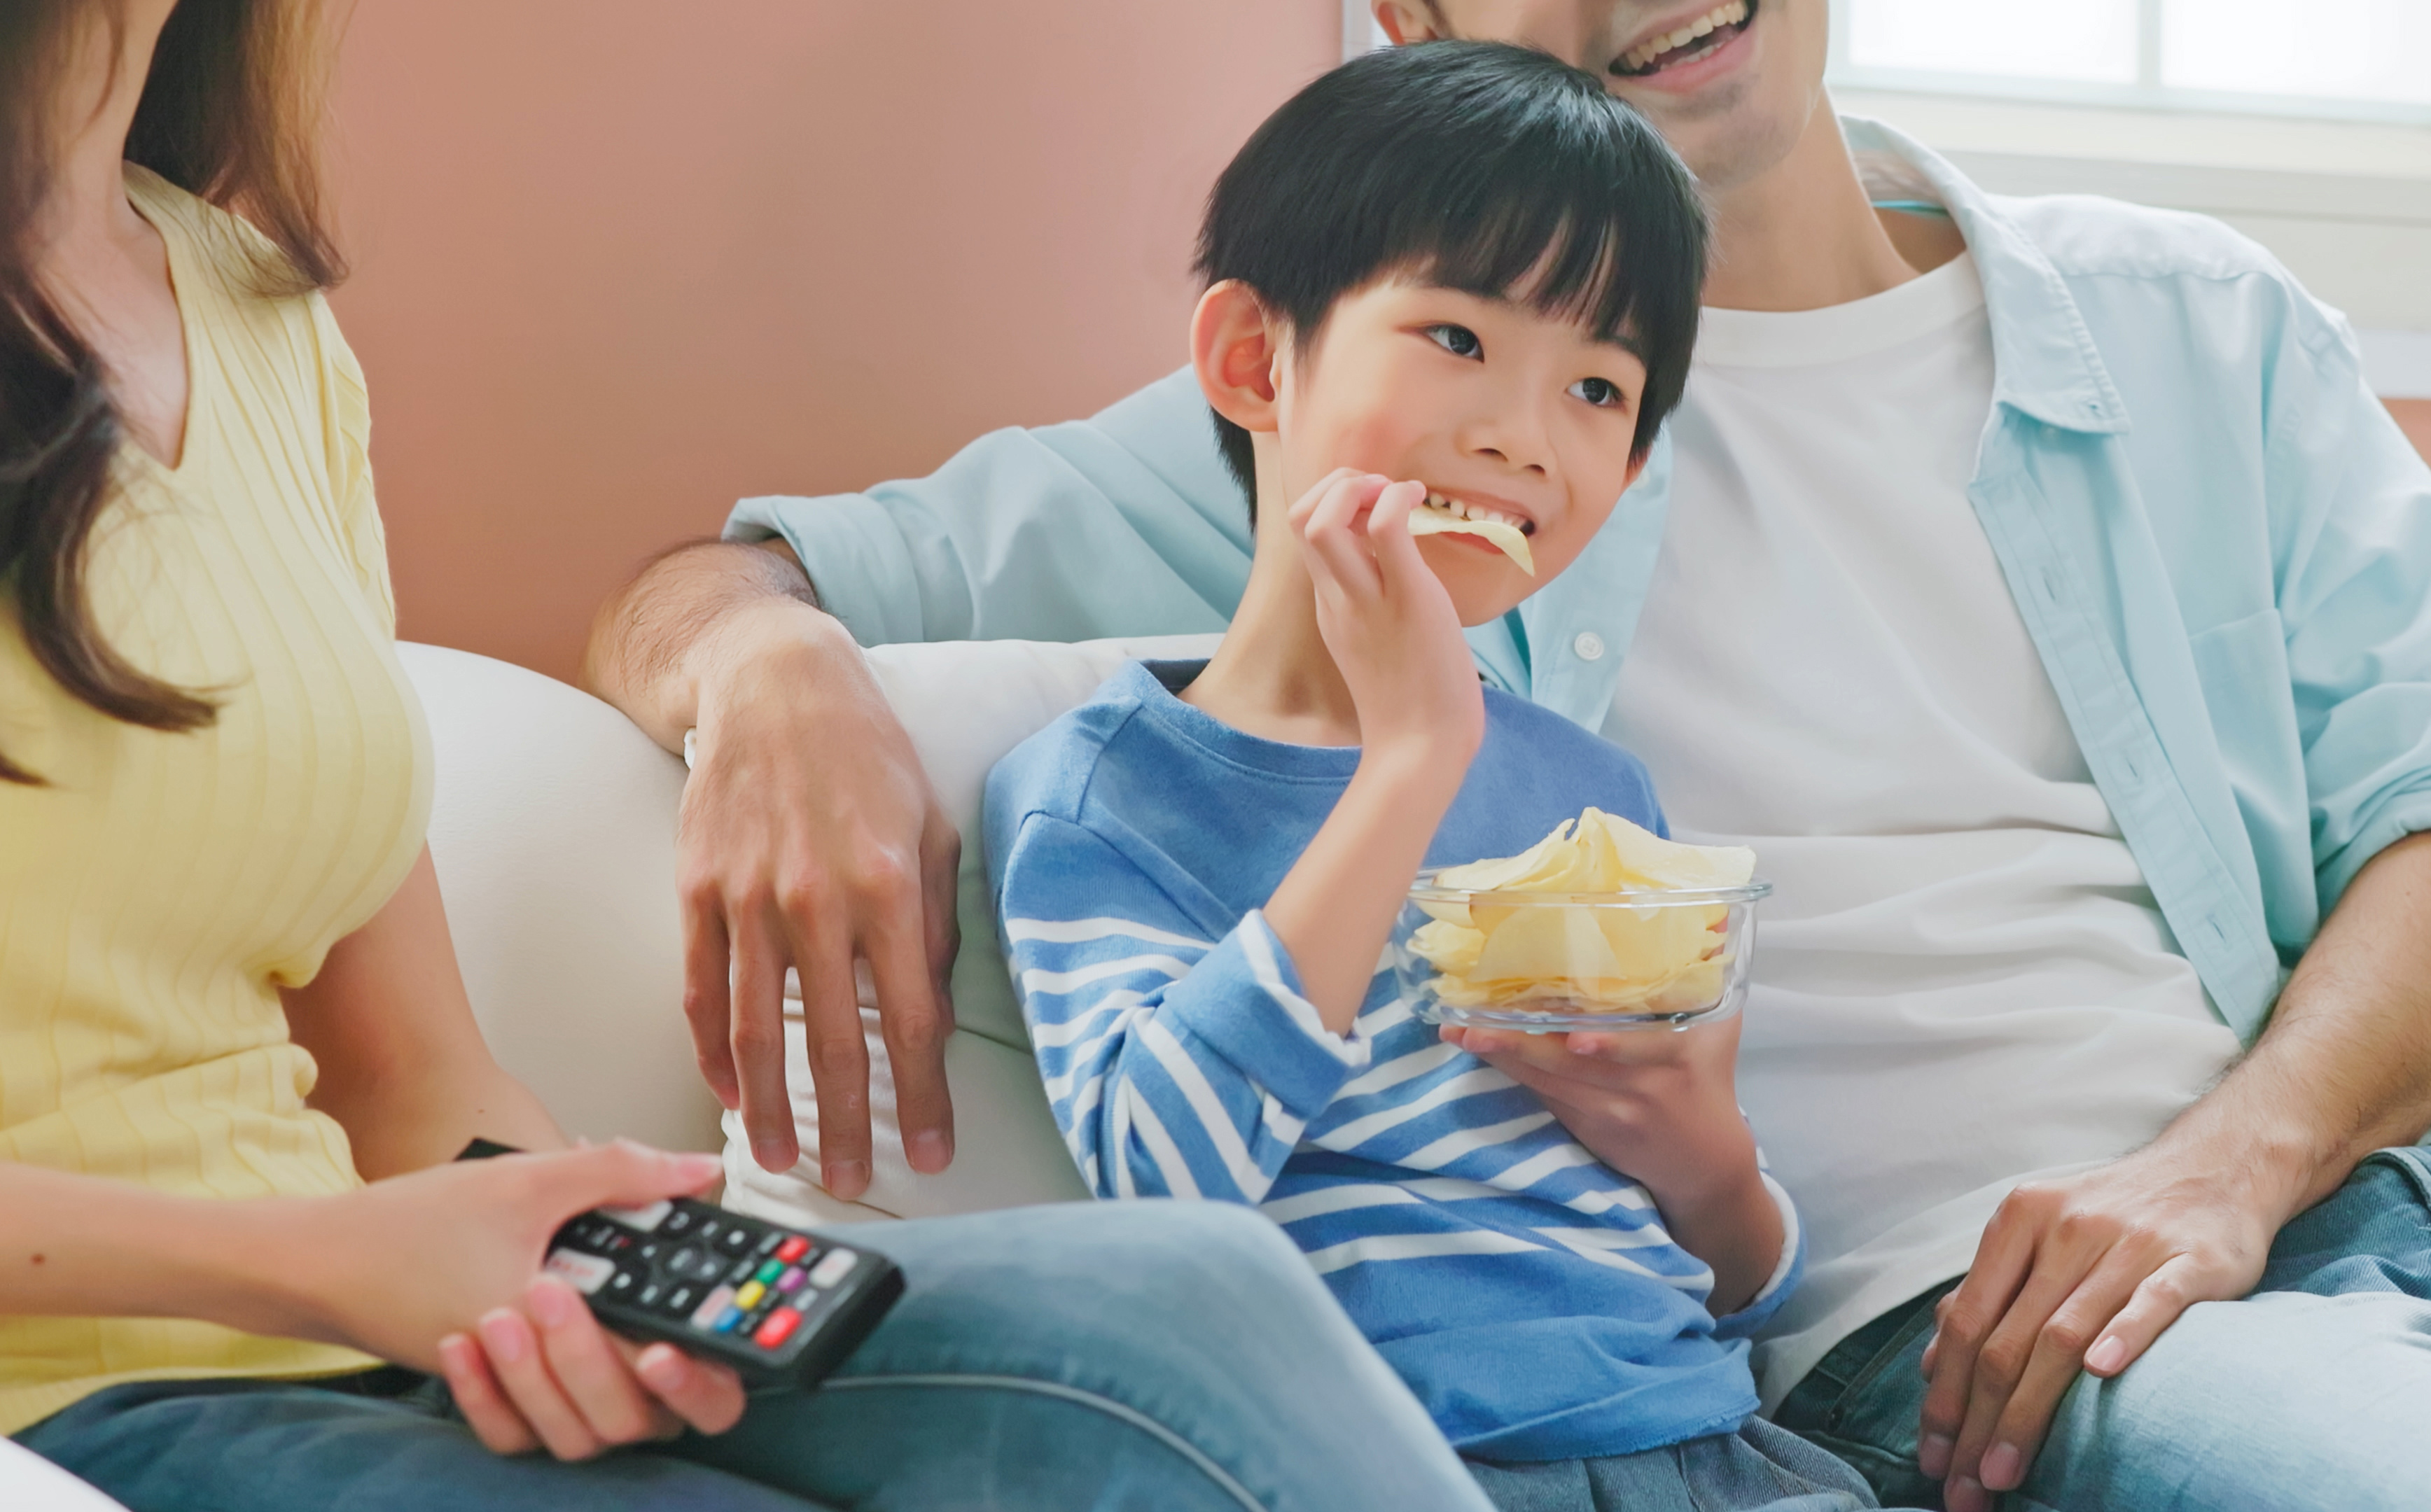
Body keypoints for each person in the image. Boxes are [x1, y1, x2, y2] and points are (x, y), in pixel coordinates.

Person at [585, 3, 2431, 1508]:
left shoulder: (2185, 327)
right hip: (1976, 1334)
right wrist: (773, 687)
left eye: (1594, 383)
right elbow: (714, 581)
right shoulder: (1361, 422)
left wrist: (2228, 1164)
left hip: (2425, 1170)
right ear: (1411, 15)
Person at [0, 4, 1497, 1508]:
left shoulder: (256, 315)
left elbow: (405, 1074)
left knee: (1180, 1306)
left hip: (360, 1324)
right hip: (74, 1400)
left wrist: (576, 1247)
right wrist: (320, 1267)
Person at [987, 43, 1869, 1510]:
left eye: (1597, 386)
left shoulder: (1593, 795)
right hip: (1396, 1467)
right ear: (1254, 363)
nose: (1521, 435)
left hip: (1708, 1453)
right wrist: (1410, 758)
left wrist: (1712, 1163)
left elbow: (1729, 1290)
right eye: (1457, 340)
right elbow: (1159, 1184)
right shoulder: (1107, 794)